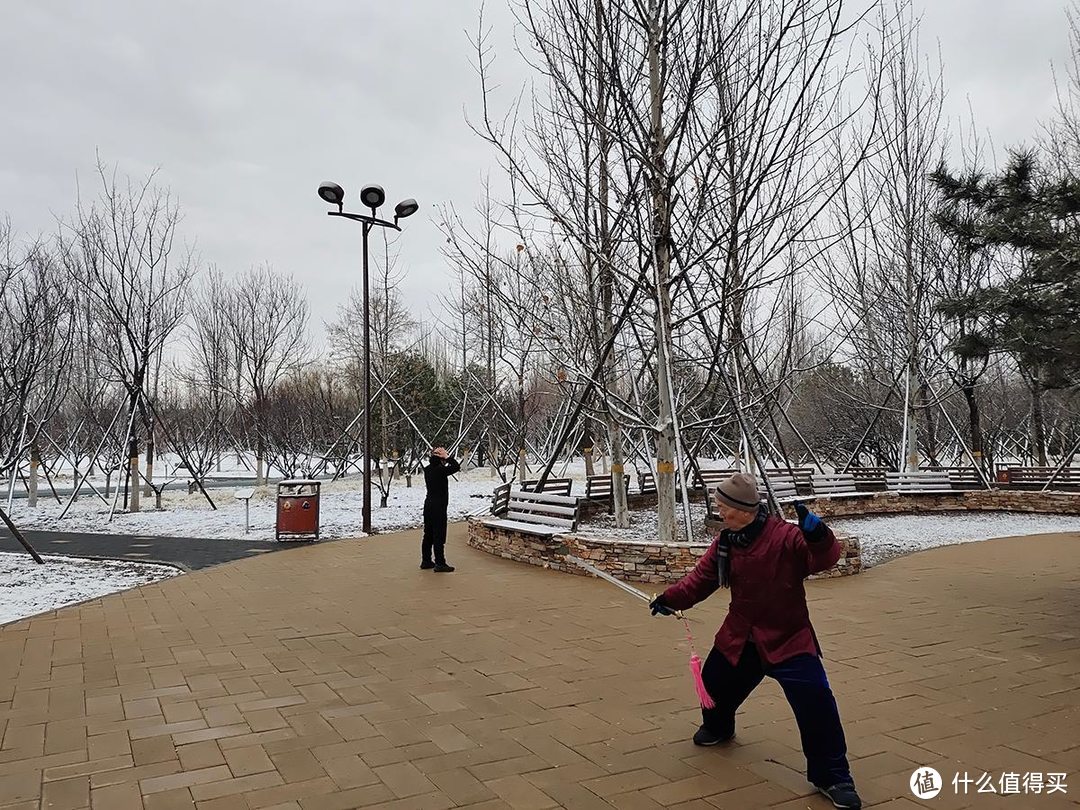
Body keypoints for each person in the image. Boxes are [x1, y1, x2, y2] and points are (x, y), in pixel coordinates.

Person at [648, 472, 862, 810]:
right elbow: (700, 579)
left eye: (722, 507)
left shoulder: (786, 536)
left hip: (789, 638)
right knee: (713, 684)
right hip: (740, 634)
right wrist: (669, 599)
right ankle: (720, 727)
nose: (718, 512)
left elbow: (822, 559)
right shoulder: (726, 542)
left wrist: (818, 536)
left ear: (742, 509)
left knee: (817, 704)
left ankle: (833, 776)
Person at [421, 446, 460, 572]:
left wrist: (441, 456)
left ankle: (426, 561)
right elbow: (456, 467)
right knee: (439, 535)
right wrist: (447, 457)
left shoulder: (428, 469)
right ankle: (440, 563)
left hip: (428, 505)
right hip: (439, 507)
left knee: (428, 534)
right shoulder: (440, 470)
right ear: (441, 459)